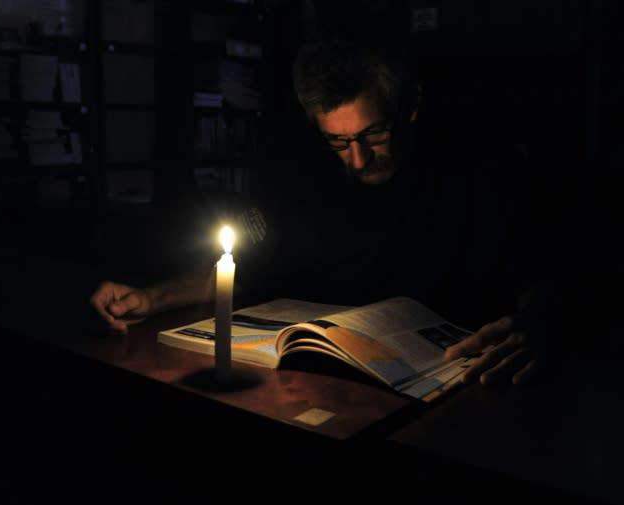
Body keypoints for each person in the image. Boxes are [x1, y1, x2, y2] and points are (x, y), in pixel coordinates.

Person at [90, 34, 572, 387]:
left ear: (411, 107)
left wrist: (536, 324)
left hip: (460, 389)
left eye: (374, 135)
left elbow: (546, 276)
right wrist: (154, 298)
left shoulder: (482, 169)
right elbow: (245, 268)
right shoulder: (302, 176)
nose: (358, 160)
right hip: (328, 387)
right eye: (338, 142)